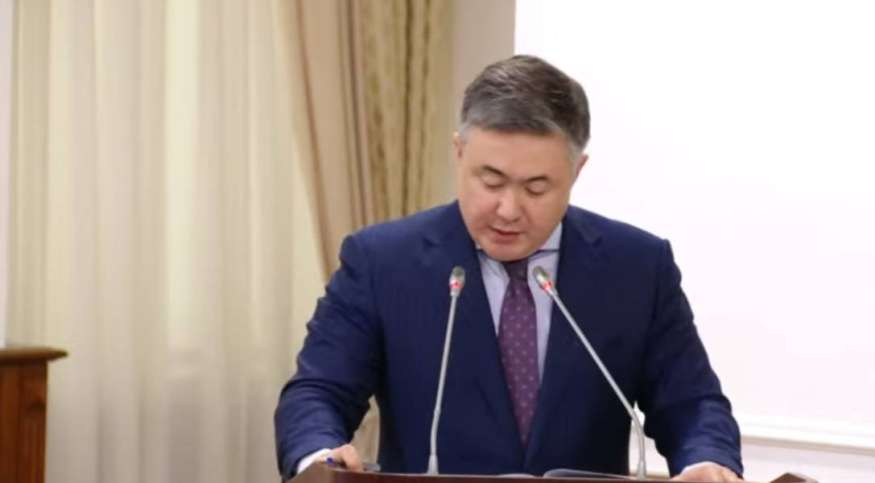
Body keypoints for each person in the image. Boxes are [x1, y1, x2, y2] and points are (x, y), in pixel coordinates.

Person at [275, 55, 742, 482]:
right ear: (459, 153)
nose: (508, 209)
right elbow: (318, 391)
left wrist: (708, 461)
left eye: (536, 188)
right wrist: (320, 456)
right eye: (491, 180)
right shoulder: (381, 261)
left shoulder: (637, 267)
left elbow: (692, 403)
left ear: (577, 171)